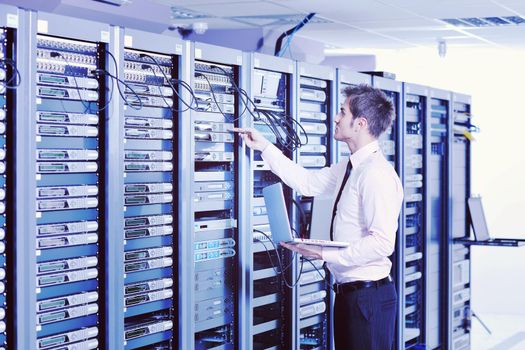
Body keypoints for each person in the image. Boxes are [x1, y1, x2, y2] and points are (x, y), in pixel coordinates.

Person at [234, 84, 403, 350]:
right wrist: (265, 147)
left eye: (342, 112)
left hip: (368, 298)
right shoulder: (350, 168)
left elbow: (382, 243)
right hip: (350, 295)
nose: (336, 118)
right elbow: (308, 182)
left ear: (360, 123)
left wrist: (324, 253)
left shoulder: (375, 174)